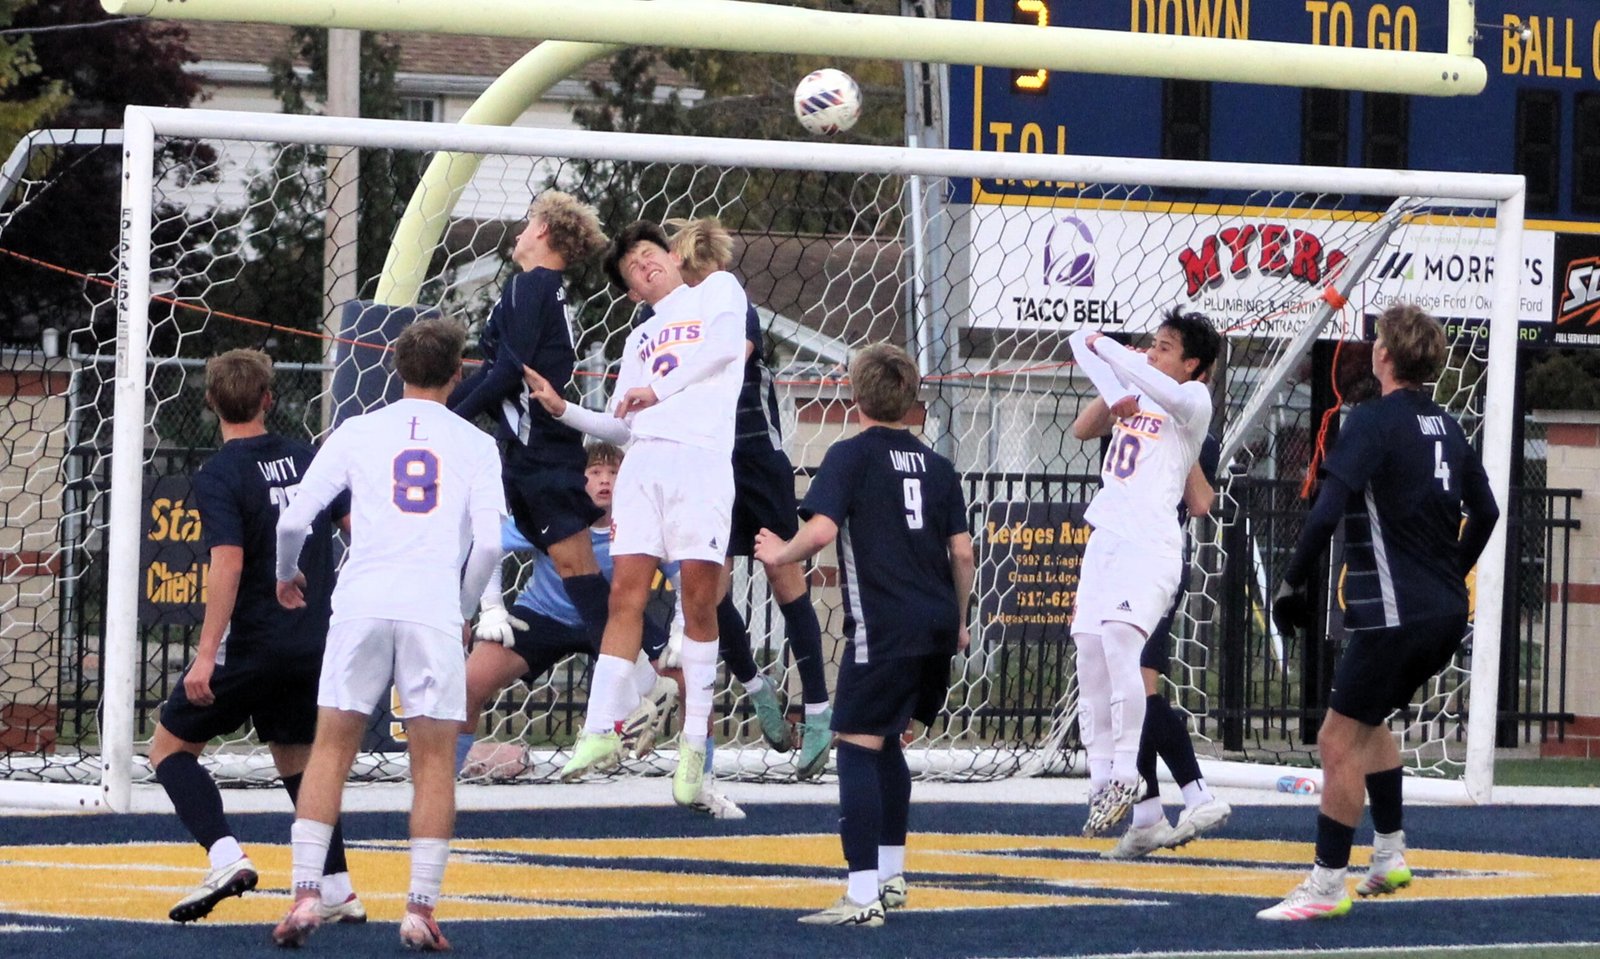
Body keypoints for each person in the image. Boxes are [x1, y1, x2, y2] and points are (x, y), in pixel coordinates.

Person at [1257, 303, 1499, 921]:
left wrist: (1291, 583)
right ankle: (1388, 853)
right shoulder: (1447, 424)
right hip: (1443, 612)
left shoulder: (1369, 421)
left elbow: (1327, 509)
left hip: (1397, 613)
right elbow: (1488, 511)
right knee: (1369, 725)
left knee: (1336, 739)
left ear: (1385, 356)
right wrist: (1451, 569)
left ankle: (1326, 883)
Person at [271, 318, 506, 950]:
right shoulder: (475, 445)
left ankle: (303, 897)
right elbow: (488, 545)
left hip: (362, 602)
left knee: (330, 751)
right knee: (432, 764)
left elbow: (294, 519)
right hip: (430, 606)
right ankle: (420, 908)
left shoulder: (357, 430)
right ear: (458, 373)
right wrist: (462, 608)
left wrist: (286, 574)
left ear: (396, 369)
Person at [529, 221, 747, 810]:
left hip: (699, 463)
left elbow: (727, 348)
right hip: (643, 468)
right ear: (632, 292)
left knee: (698, 601)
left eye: (650, 255)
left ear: (673, 257)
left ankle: (695, 746)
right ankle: (599, 730)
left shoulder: (717, 290)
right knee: (624, 592)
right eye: (632, 268)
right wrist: (564, 409)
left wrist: (664, 387)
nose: (644, 265)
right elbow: (623, 421)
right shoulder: (639, 339)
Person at [754, 342, 973, 927]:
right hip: (935, 623)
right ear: (912, 402)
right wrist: (963, 618)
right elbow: (962, 551)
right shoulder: (940, 466)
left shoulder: (850, 455)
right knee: (887, 741)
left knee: (854, 744)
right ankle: (891, 877)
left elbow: (821, 530)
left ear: (855, 396)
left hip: (885, 624)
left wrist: (779, 550)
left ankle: (859, 896)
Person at [150, 349, 362, 924]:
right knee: (297, 762)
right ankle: (339, 886)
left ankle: (226, 857)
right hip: (311, 640)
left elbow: (229, 564)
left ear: (210, 402)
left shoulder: (220, 473)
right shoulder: (307, 456)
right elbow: (358, 528)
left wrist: (203, 657)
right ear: (270, 398)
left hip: (252, 645)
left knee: (168, 749)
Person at [460, 441, 744, 818]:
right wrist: (490, 607)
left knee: (689, 677)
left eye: (614, 473)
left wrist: (679, 631)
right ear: (579, 480)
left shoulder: (643, 521)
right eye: (594, 473)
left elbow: (684, 583)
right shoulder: (554, 513)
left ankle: (700, 780)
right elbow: (489, 545)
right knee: (469, 681)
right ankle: (444, 779)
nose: (605, 481)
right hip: (546, 615)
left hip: (619, 623)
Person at [663, 218, 832, 779]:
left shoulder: (735, 306)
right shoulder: (668, 320)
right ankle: (759, 689)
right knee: (708, 591)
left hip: (756, 461)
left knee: (785, 575)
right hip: (706, 462)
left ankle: (818, 711)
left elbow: (730, 360)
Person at [1066, 309, 1220, 839]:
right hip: (1106, 535)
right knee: (1088, 650)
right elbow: (1079, 346)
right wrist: (1113, 381)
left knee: (1119, 646)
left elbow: (1200, 497)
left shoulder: (1194, 400)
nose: (1152, 353)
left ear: (1192, 363)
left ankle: (1131, 773)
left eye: (1165, 347)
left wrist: (1117, 355)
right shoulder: (1133, 389)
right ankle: (1101, 778)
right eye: (1151, 344)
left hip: (1149, 545)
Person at [447, 191, 612, 656]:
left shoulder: (530, 285)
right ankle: (636, 682)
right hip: (534, 448)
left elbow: (505, 372)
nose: (520, 231)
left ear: (542, 230)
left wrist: (445, 419)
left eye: (527, 222)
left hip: (538, 449)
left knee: (580, 576)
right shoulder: (549, 292)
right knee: (577, 574)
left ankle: (636, 682)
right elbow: (497, 370)